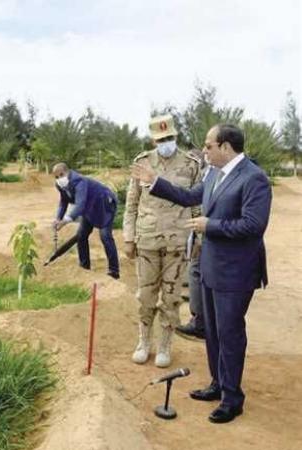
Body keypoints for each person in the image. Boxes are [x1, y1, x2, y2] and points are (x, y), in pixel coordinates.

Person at [131, 124, 272, 424]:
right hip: (210, 266)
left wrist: (211, 226)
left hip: (236, 272)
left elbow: (253, 225)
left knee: (230, 334)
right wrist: (155, 182)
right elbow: (187, 196)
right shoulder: (212, 174)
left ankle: (233, 399)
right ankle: (217, 384)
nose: (203, 150)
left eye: (208, 146)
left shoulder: (254, 178)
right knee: (212, 332)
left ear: (225, 147)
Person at [124, 115, 201, 368]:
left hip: (177, 242)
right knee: (145, 296)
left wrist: (198, 238)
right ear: (153, 140)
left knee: (171, 297)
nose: (165, 142)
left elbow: (196, 205)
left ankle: (165, 345)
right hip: (146, 241)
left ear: (175, 136)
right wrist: (128, 238)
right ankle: (144, 342)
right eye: (160, 139)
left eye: (169, 138)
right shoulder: (142, 163)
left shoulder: (191, 164)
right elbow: (132, 205)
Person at [52, 162, 120, 279]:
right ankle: (84, 266)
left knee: (105, 236)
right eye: (56, 177)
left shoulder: (79, 181)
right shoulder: (60, 185)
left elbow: (80, 205)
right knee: (81, 236)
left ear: (68, 172)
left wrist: (66, 220)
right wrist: (58, 218)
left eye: (61, 175)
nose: (59, 179)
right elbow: (63, 201)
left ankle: (114, 271)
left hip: (104, 204)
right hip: (89, 208)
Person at [176, 148, 214, 341]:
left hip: (206, 233)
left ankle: (199, 323)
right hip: (203, 231)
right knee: (195, 270)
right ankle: (202, 319)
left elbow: (195, 203)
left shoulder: (209, 173)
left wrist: (200, 234)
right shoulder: (211, 172)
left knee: (196, 270)